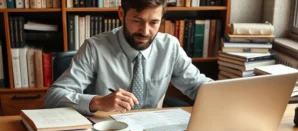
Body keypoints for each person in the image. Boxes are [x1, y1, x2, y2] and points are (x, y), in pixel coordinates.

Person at [44, 0, 213, 115]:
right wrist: (98, 102)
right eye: (138, 21)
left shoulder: (170, 46)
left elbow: (198, 86)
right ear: (121, 14)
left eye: (154, 22)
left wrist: (230, 94)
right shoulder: (94, 48)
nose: (145, 31)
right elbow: (53, 97)